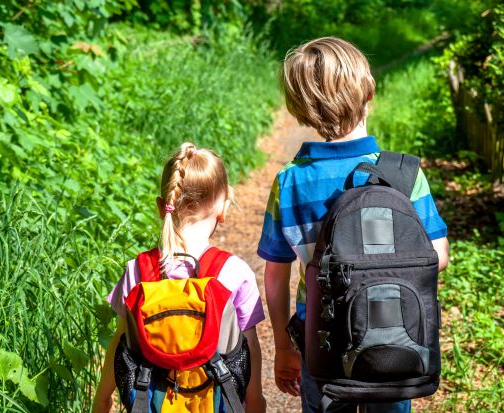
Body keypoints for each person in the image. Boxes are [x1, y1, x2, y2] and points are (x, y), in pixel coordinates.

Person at [257, 37, 449, 413]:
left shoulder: (290, 182)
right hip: (395, 337)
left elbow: (276, 277)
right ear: (370, 92)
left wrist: (283, 347)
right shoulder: (403, 175)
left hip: (321, 341)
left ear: (300, 109)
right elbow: (437, 257)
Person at [93, 142, 267, 413]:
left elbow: (120, 341)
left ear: (162, 207)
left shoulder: (138, 271)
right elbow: (249, 348)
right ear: (223, 209)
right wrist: (255, 401)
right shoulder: (234, 272)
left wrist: (102, 398)